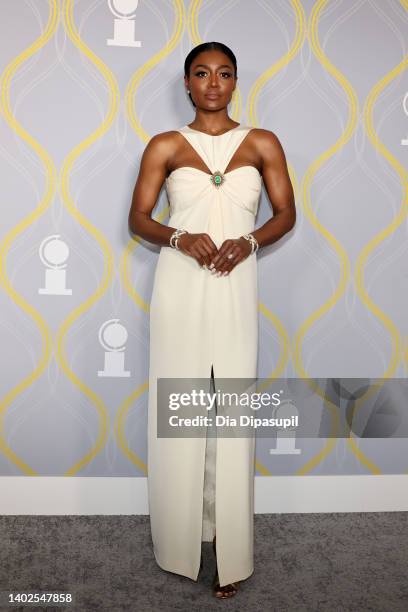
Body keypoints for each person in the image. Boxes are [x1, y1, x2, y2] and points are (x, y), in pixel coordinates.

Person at [128, 41, 295, 599]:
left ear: (235, 81)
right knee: (181, 407)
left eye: (224, 73)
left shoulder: (264, 142)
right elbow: (139, 218)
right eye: (202, 73)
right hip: (180, 285)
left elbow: (286, 213)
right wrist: (180, 235)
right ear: (187, 82)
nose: (213, 83)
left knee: (231, 412)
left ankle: (230, 555)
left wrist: (248, 243)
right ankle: (179, 546)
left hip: (236, 285)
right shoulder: (166, 145)